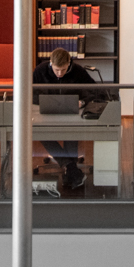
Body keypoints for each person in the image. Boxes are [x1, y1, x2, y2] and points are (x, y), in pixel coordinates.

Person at [32, 47, 99, 191]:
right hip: (46, 114)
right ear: (51, 63)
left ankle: (69, 168)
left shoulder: (78, 71)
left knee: (71, 130)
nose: (60, 73)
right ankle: (71, 167)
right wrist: (44, 101)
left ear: (69, 63)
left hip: (72, 114)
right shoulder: (40, 70)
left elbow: (94, 91)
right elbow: (29, 93)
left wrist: (82, 102)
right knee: (39, 131)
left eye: (63, 69)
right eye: (57, 70)